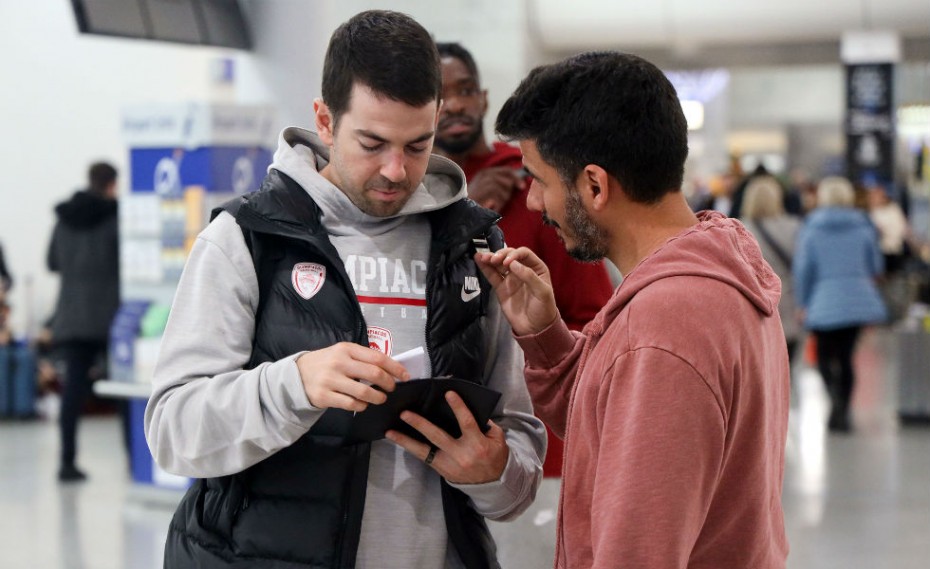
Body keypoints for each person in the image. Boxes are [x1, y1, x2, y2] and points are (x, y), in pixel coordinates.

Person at [144, 10, 545, 569]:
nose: (397, 171)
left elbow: (519, 457)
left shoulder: (470, 245)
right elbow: (172, 432)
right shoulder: (245, 239)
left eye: (417, 144)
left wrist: (494, 472)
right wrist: (293, 385)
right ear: (325, 122)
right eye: (373, 142)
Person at [475, 51, 790, 568]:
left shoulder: (666, 323)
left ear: (595, 185)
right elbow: (615, 421)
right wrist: (547, 336)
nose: (533, 203)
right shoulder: (714, 273)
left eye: (541, 180)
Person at [433, 41, 613, 476]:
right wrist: (461, 212)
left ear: (483, 98)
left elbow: (592, 314)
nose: (455, 104)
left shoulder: (534, 185)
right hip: (433, 437)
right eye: (440, 95)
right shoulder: (405, 194)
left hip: (532, 433)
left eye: (465, 89)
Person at [794, 176, 887, 433]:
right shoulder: (864, 226)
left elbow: (804, 270)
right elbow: (876, 266)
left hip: (822, 300)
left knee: (823, 357)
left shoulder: (811, 229)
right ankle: (843, 410)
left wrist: (803, 302)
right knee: (846, 358)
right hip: (857, 300)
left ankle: (834, 399)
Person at [47, 161, 120, 482]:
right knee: (127, 391)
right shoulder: (114, 217)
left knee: (72, 394)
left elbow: (51, 262)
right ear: (111, 184)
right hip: (108, 316)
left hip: (71, 316)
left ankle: (66, 462)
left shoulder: (63, 219)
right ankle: (136, 464)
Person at [741, 175, 803, 372]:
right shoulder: (794, 227)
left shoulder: (739, 230)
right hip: (788, 307)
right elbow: (801, 268)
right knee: (787, 369)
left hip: (753, 311)